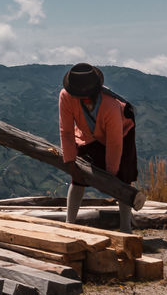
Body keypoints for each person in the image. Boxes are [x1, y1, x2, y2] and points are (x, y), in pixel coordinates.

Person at [58, 62, 138, 232]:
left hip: (122, 133)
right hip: (89, 135)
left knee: (123, 177)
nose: (83, 98)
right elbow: (66, 131)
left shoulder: (111, 105)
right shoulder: (66, 97)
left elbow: (115, 143)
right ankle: (69, 225)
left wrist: (110, 177)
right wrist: (70, 161)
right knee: (78, 176)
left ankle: (126, 227)